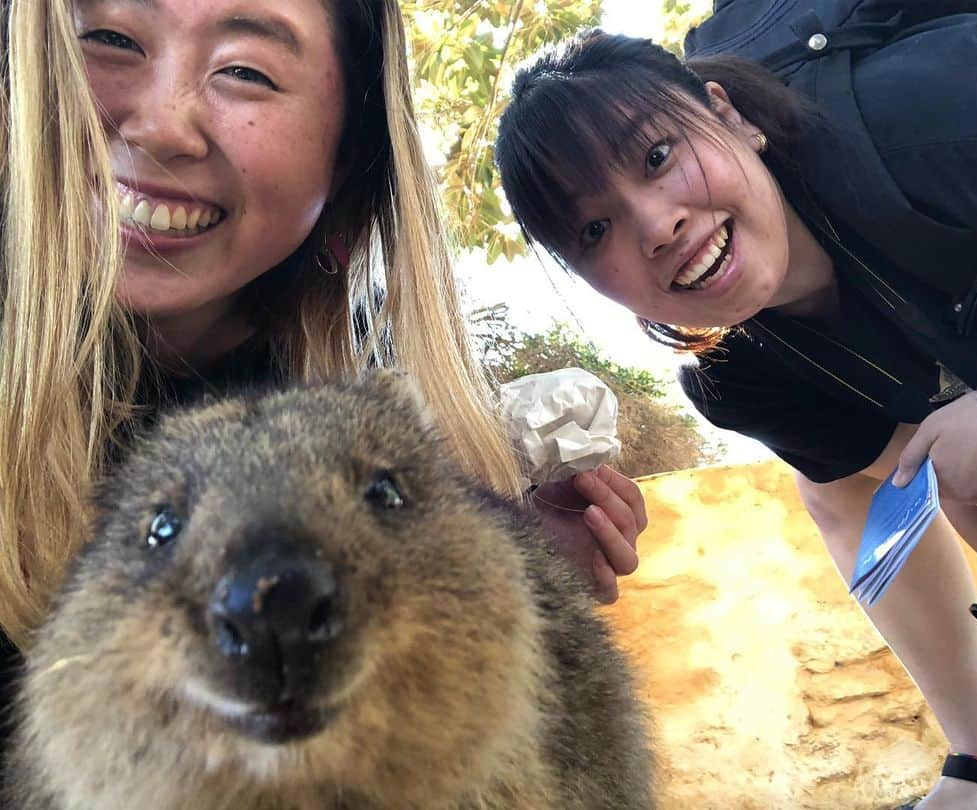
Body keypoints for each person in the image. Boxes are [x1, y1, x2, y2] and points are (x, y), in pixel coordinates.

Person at [0, 0, 645, 763]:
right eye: (110, 39)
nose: (161, 126)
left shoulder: (367, 377)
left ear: (348, 159)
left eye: (245, 70)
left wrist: (517, 566)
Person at [495, 27, 977, 810]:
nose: (657, 225)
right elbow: (962, 473)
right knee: (836, 480)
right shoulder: (745, 380)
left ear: (730, 113)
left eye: (658, 156)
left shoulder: (946, 115)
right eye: (594, 231)